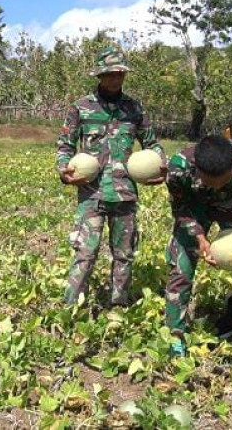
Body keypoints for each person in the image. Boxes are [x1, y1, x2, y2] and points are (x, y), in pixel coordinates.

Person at [56, 47, 166, 307]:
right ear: (99, 75)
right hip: (91, 193)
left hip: (124, 192)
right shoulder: (81, 108)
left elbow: (152, 144)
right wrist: (64, 172)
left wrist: (161, 166)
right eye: (109, 74)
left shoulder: (134, 108)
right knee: (85, 252)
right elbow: (64, 146)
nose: (115, 79)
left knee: (124, 254)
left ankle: (119, 307)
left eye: (119, 74)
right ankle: (70, 309)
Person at [165, 135, 232, 359]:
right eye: (211, 183)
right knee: (180, 270)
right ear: (197, 171)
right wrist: (200, 237)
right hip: (195, 209)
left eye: (224, 181)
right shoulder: (178, 168)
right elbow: (180, 206)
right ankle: (175, 336)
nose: (218, 187)